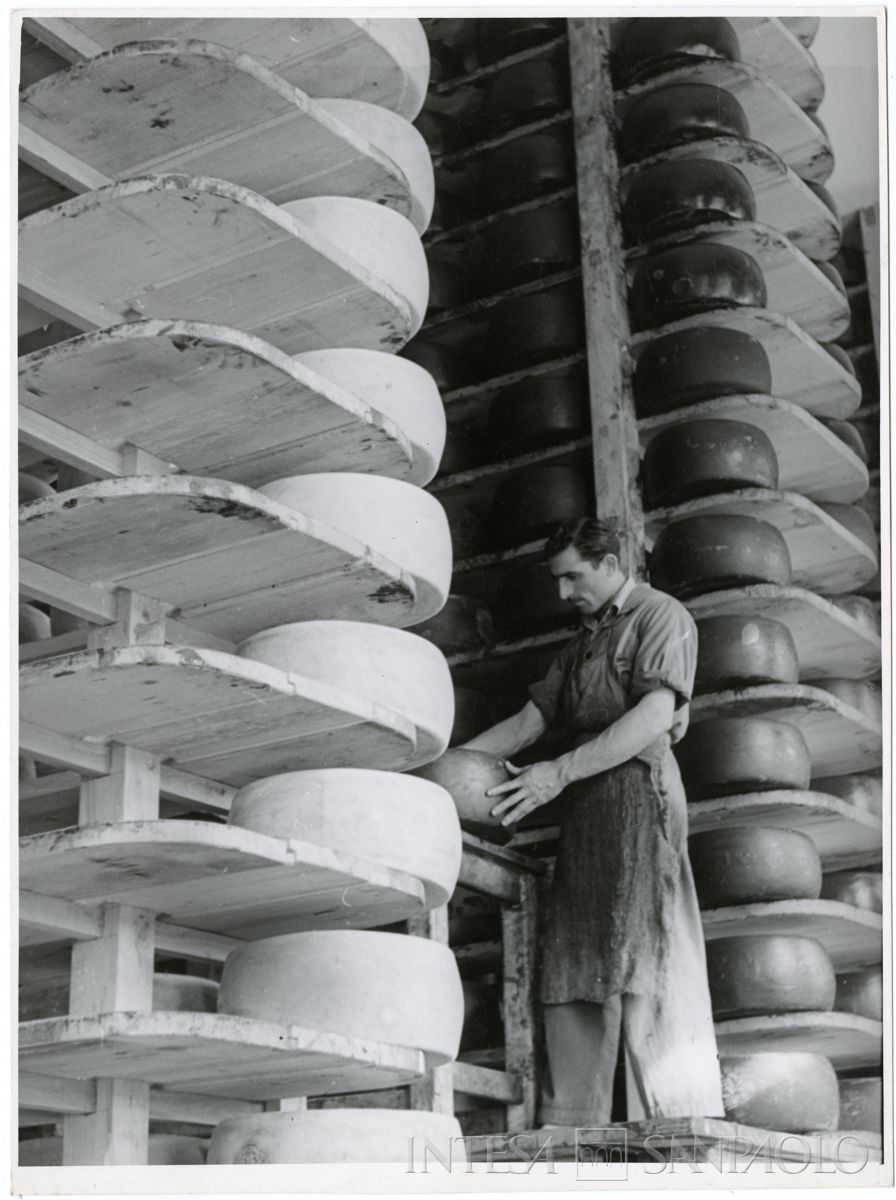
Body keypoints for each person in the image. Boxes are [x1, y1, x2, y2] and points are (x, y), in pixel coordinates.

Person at [461, 516, 724, 1126]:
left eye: (573, 577)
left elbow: (654, 715)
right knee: (575, 959)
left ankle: (673, 1118)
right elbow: (527, 725)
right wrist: (452, 764)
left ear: (610, 564)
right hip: (586, 812)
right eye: (557, 580)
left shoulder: (662, 617)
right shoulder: (582, 642)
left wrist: (558, 771)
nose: (562, 594)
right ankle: (571, 1124)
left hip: (640, 798)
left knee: (646, 955)